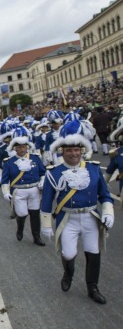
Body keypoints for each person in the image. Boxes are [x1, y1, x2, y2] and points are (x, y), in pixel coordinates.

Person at [40, 119, 114, 304]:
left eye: (76, 150)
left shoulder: (93, 168)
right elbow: (47, 201)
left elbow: (105, 196)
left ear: (82, 150)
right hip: (68, 219)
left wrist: (108, 211)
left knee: (93, 252)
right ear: (62, 152)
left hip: (90, 217)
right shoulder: (53, 173)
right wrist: (46, 225)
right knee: (68, 253)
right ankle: (68, 274)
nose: (73, 154)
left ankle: (92, 287)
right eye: (69, 150)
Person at [1, 127, 46, 246]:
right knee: (22, 213)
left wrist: (42, 181)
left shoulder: (35, 158)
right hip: (19, 191)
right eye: (19, 147)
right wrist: (6, 192)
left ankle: (36, 236)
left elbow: (43, 172)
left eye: (24, 147)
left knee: (35, 214)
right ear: (14, 149)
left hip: (34, 190)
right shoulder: (9, 162)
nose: (22, 149)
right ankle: (20, 228)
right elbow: (5, 180)